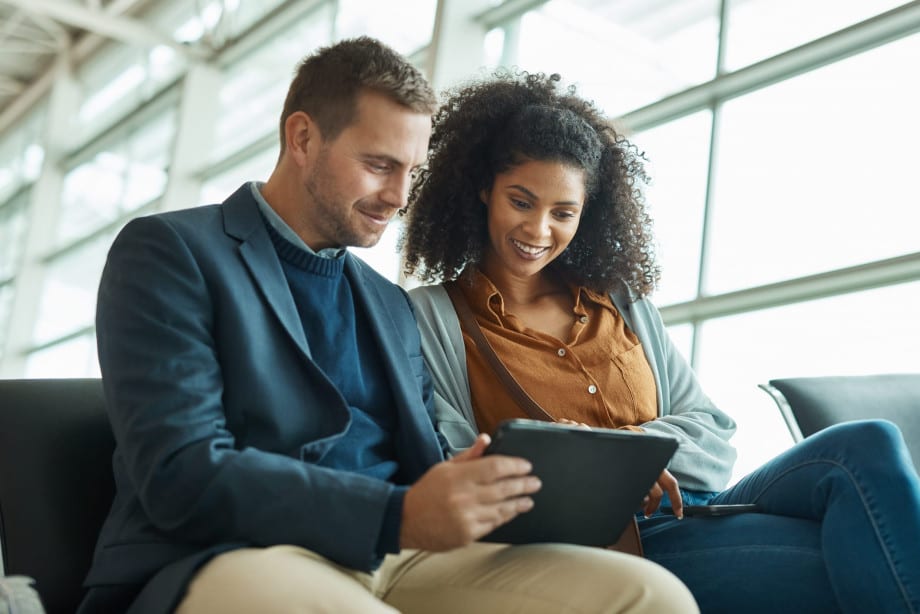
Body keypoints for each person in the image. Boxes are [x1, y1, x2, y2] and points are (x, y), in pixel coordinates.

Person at [77, 39, 699, 614]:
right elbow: (181, 473)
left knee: (650, 596)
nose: (399, 196)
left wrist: (577, 475)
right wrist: (394, 514)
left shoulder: (388, 303)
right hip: (234, 552)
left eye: (411, 172)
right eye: (378, 165)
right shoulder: (173, 252)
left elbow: (431, 465)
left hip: (397, 555)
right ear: (302, 138)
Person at [402, 70, 920, 614]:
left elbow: (714, 432)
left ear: (586, 213)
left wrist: (629, 449)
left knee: (867, 443)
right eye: (521, 201)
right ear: (484, 189)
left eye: (563, 213)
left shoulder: (620, 301)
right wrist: (598, 469)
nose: (538, 230)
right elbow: (453, 459)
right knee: (862, 554)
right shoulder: (432, 316)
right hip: (614, 540)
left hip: (700, 506)